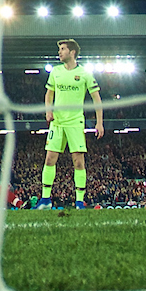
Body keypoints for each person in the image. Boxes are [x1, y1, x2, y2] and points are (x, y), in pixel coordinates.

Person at [35, 39, 104, 210]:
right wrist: (48, 111)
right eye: (59, 49)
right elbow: (48, 94)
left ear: (72, 52)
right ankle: (45, 200)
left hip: (75, 122)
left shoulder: (85, 73)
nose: (59, 52)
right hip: (57, 122)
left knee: (78, 161)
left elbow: (96, 99)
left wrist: (99, 123)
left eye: (62, 49)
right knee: (50, 159)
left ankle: (79, 201)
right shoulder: (56, 72)